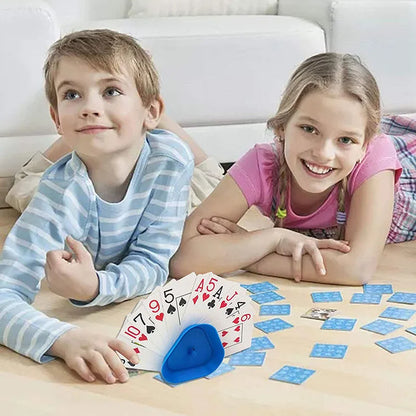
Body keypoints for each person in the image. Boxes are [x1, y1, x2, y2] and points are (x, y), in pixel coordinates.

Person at [0, 29, 197, 384]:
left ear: (152, 111)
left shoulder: (173, 161)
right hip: (65, 190)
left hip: (176, 173)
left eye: (111, 91)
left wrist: (94, 288)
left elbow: (154, 262)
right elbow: (3, 295)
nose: (90, 107)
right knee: (29, 189)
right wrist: (63, 338)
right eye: (72, 94)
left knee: (208, 181)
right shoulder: (58, 195)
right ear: (57, 120)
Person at [170, 52, 414, 286]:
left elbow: (356, 268)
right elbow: (182, 258)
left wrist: (245, 250)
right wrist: (273, 238)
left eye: (345, 140)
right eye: (309, 129)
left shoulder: (374, 155)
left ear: (364, 147)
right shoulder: (263, 164)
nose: (323, 153)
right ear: (282, 126)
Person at [5, 114, 224, 214]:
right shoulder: (171, 197)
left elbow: (25, 180)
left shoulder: (59, 197)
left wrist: (80, 129)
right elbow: (212, 177)